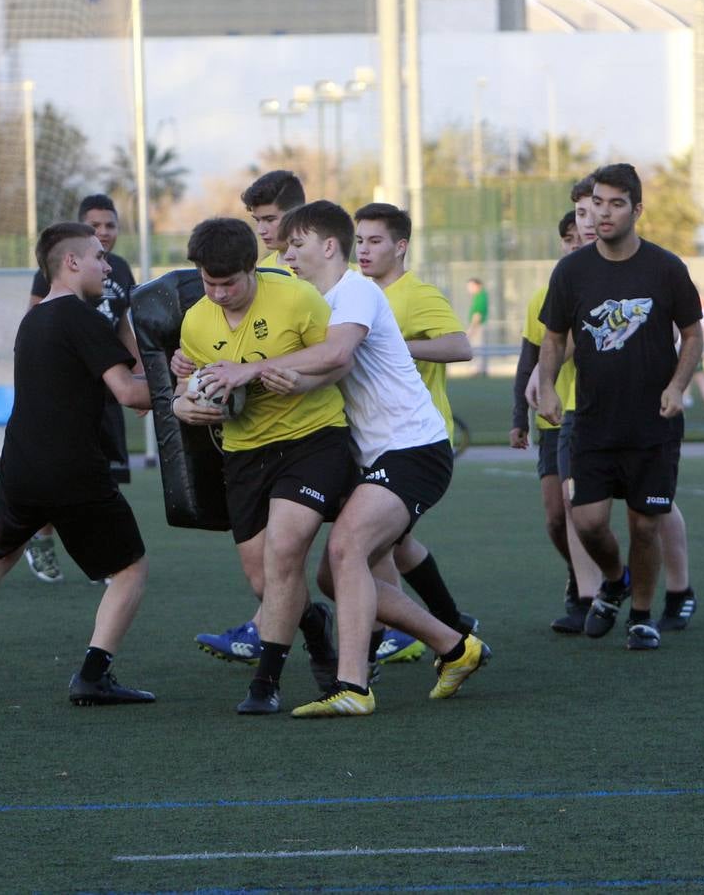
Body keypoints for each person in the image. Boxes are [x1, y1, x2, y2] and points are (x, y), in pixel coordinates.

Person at [201, 202, 489, 716]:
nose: (286, 253)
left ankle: (352, 687)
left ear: (329, 247)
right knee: (338, 577)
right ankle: (455, 644)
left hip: (414, 447)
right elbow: (328, 372)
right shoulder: (312, 300)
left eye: (296, 244)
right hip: (381, 455)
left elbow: (336, 354)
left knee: (346, 547)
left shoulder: (355, 290)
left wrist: (253, 371)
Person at [0, 222, 155, 705]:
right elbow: (129, 392)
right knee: (131, 568)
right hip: (71, 469)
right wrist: (188, 386)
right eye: (99, 257)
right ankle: (92, 675)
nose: (108, 266)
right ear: (72, 262)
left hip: (19, 463)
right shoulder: (82, 318)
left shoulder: (33, 320)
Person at [173, 217, 350, 714]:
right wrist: (181, 406)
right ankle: (315, 627)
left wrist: (299, 381)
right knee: (264, 581)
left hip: (312, 440)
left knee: (285, 551)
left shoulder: (296, 298)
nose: (219, 293)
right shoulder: (196, 320)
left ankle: (265, 683)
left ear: (253, 269)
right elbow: (186, 387)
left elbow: (340, 360)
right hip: (244, 452)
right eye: (209, 283)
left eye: (229, 283)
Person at [537, 163, 704, 651]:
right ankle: (614, 579)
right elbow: (553, 336)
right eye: (598, 203)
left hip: (653, 424)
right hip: (592, 421)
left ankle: (642, 616)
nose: (603, 214)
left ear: (636, 209)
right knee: (587, 521)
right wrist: (545, 385)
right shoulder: (572, 270)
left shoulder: (666, 267)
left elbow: (692, 333)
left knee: (645, 526)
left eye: (616, 204)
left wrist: (677, 385)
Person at [351, 203, 479, 664]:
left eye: (375, 241)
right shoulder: (355, 293)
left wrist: (394, 345)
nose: (363, 250)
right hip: (377, 441)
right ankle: (450, 624)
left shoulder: (417, 294)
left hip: (418, 440)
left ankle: (366, 654)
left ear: (400, 246)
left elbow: (460, 346)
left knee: (362, 550)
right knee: (392, 544)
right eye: (359, 241)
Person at [23, 194, 141, 584]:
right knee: (65, 473)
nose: (105, 233)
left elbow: (125, 325)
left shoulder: (120, 270)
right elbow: (37, 318)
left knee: (101, 471)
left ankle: (106, 553)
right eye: (97, 226)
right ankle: (41, 540)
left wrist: (139, 375)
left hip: (109, 380)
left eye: (111, 225)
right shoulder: (60, 277)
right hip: (75, 385)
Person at [511, 211, 581, 625]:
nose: (575, 245)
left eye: (581, 237)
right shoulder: (544, 296)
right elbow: (528, 361)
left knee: (583, 512)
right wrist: (519, 416)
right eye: (568, 239)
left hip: (589, 416)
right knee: (555, 516)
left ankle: (595, 589)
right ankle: (579, 572)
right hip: (551, 421)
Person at [241, 170, 307, 272]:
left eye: (270, 220)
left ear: (297, 214)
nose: (261, 230)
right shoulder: (263, 270)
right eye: (257, 220)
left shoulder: (321, 266)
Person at [465, 278, 490, 376]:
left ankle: (478, 369)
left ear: (477, 285)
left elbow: (477, 314)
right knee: (479, 347)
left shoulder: (480, 296)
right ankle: (481, 369)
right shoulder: (480, 296)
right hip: (478, 326)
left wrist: (471, 329)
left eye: (471, 286)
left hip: (478, 326)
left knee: (478, 348)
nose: (469, 289)